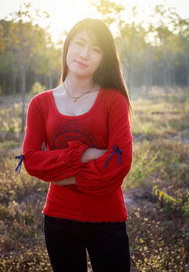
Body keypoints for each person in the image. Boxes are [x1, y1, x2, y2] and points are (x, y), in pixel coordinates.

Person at [20, 18, 133, 272]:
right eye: (79, 43)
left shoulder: (113, 100)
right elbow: (31, 159)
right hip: (59, 220)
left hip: (107, 219)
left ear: (104, 58)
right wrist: (84, 155)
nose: (85, 53)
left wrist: (64, 177)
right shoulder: (40, 103)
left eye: (96, 49)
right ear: (67, 46)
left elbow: (120, 161)